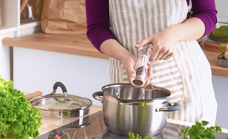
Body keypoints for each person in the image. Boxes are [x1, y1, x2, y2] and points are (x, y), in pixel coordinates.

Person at [85, 0, 218, 125]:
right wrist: (124, 56)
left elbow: (208, 15)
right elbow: (96, 27)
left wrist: (173, 34)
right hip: (128, 78)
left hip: (186, 82)